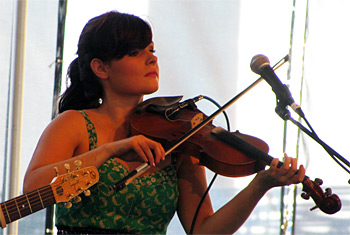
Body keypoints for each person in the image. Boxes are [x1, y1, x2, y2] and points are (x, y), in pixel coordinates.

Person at [23, 11, 305, 234]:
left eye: (152, 50)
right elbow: (32, 190)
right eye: (135, 52)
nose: (151, 59)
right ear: (101, 68)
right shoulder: (74, 124)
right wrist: (109, 150)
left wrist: (259, 186)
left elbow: (204, 230)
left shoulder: (179, 138)